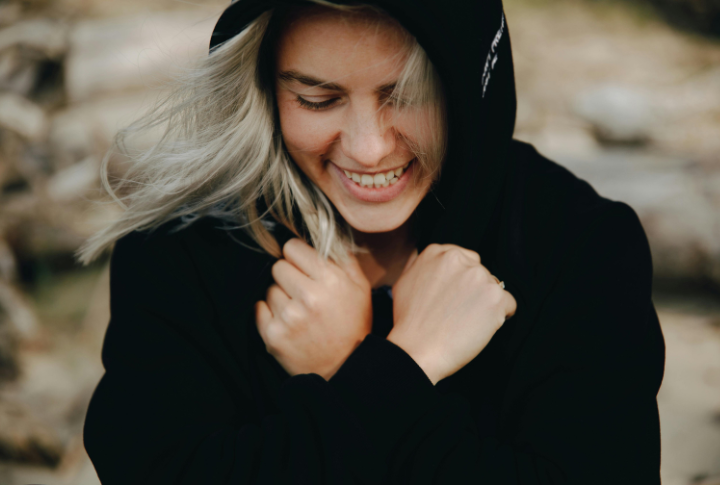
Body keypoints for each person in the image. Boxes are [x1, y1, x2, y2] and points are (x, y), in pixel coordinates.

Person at [80, 0, 666, 483]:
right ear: (263, 86)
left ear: (468, 86)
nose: (368, 149)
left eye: (405, 95)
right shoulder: (178, 250)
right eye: (317, 100)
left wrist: (352, 368)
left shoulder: (582, 247)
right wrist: (400, 369)